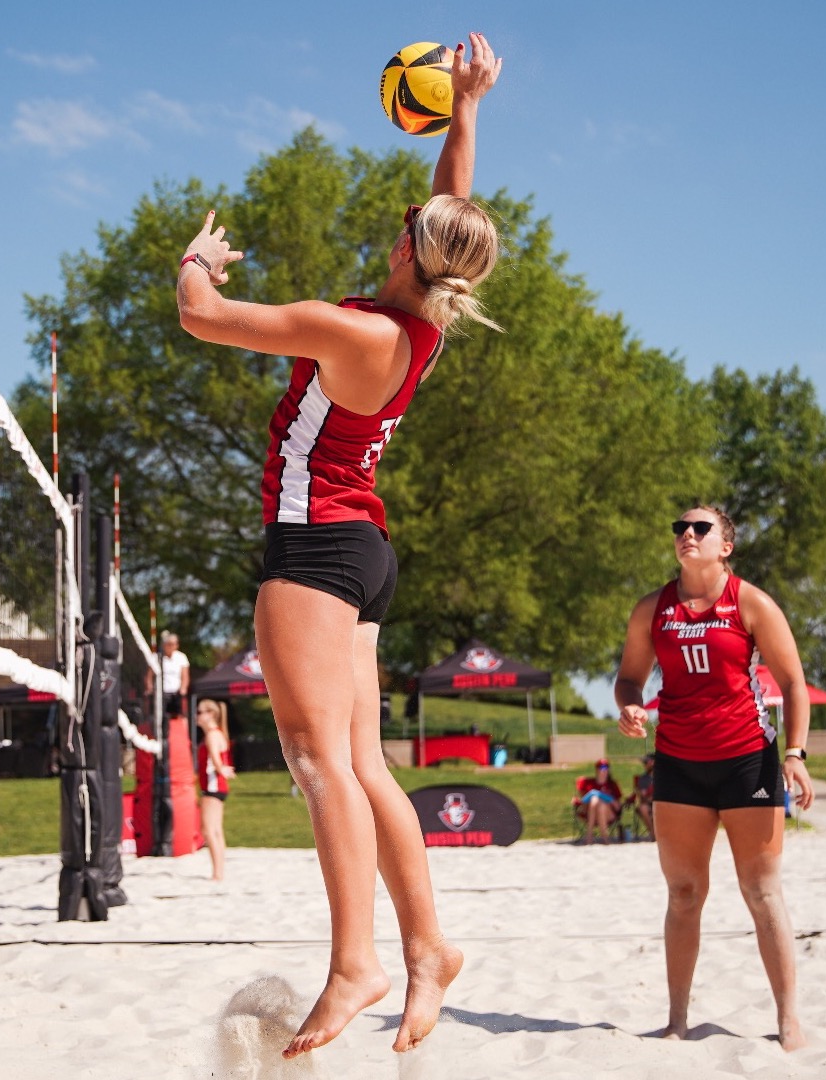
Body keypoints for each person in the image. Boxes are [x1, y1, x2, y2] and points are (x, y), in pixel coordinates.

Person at [174, 32, 503, 1058]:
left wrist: (199, 256)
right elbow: (452, 208)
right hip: (359, 551)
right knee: (363, 766)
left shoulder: (349, 330)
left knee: (321, 766)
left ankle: (358, 961)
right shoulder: (426, 321)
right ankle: (429, 949)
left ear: (411, 250)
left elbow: (201, 317)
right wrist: (466, 109)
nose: (401, 221)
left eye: (408, 224)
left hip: (314, 553)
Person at [616, 505, 815, 1052]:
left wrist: (795, 754)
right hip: (679, 763)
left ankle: (788, 1021)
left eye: (700, 528)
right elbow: (629, 678)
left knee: (761, 890)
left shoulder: (749, 602)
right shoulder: (652, 609)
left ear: (725, 545)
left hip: (748, 760)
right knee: (684, 894)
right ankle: (677, 1019)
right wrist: (630, 707)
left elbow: (794, 683)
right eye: (679, 527)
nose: (687, 534)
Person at [195, 699, 236, 882]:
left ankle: (217, 873)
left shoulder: (212, 735)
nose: (197, 716)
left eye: (199, 712)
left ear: (210, 714)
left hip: (212, 786)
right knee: (216, 830)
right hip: (218, 786)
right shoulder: (219, 733)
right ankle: (219, 871)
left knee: (209, 830)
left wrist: (222, 770)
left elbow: (216, 761)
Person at [573, 759, 623, 843]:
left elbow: (617, 807)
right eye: (601, 767)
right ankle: (605, 837)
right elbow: (583, 801)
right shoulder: (590, 783)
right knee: (595, 800)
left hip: (609, 814)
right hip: (590, 811)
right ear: (596, 769)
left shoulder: (612, 784)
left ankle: (589, 835)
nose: (604, 770)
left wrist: (603, 796)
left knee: (600, 803)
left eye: (606, 767)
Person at [147, 632, 192, 719]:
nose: (171, 646)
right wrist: (150, 688)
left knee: (177, 716)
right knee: (160, 716)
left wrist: (183, 689)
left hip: (176, 694)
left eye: (173, 644)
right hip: (160, 693)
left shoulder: (181, 657)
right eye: (169, 644)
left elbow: (185, 676)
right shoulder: (156, 657)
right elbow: (149, 676)